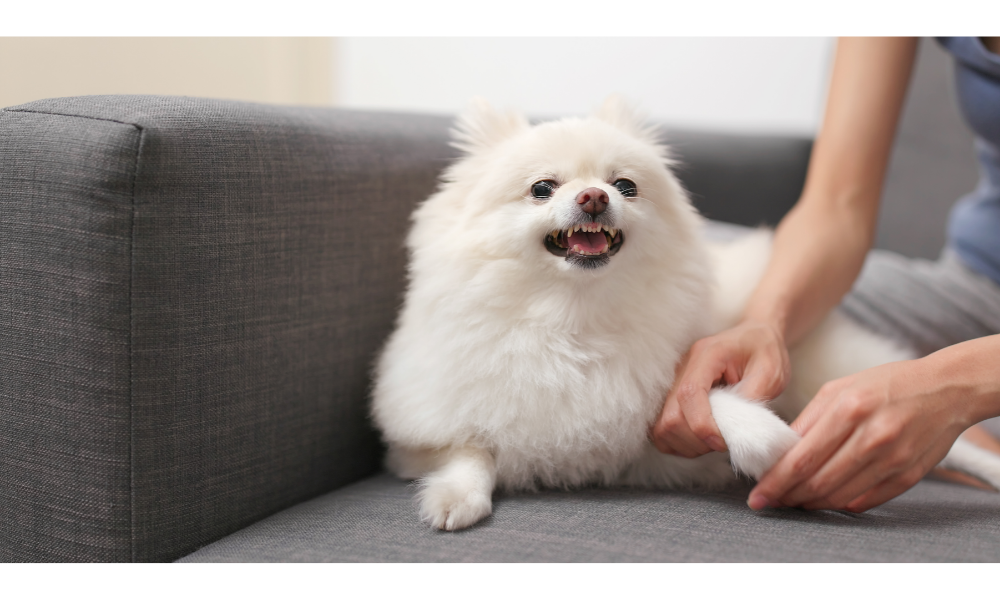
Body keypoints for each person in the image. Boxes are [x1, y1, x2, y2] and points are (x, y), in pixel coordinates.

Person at [650, 37, 1000, 512]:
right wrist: (762, 321)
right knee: (675, 257)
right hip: (977, 285)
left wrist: (954, 387)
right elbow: (838, 207)